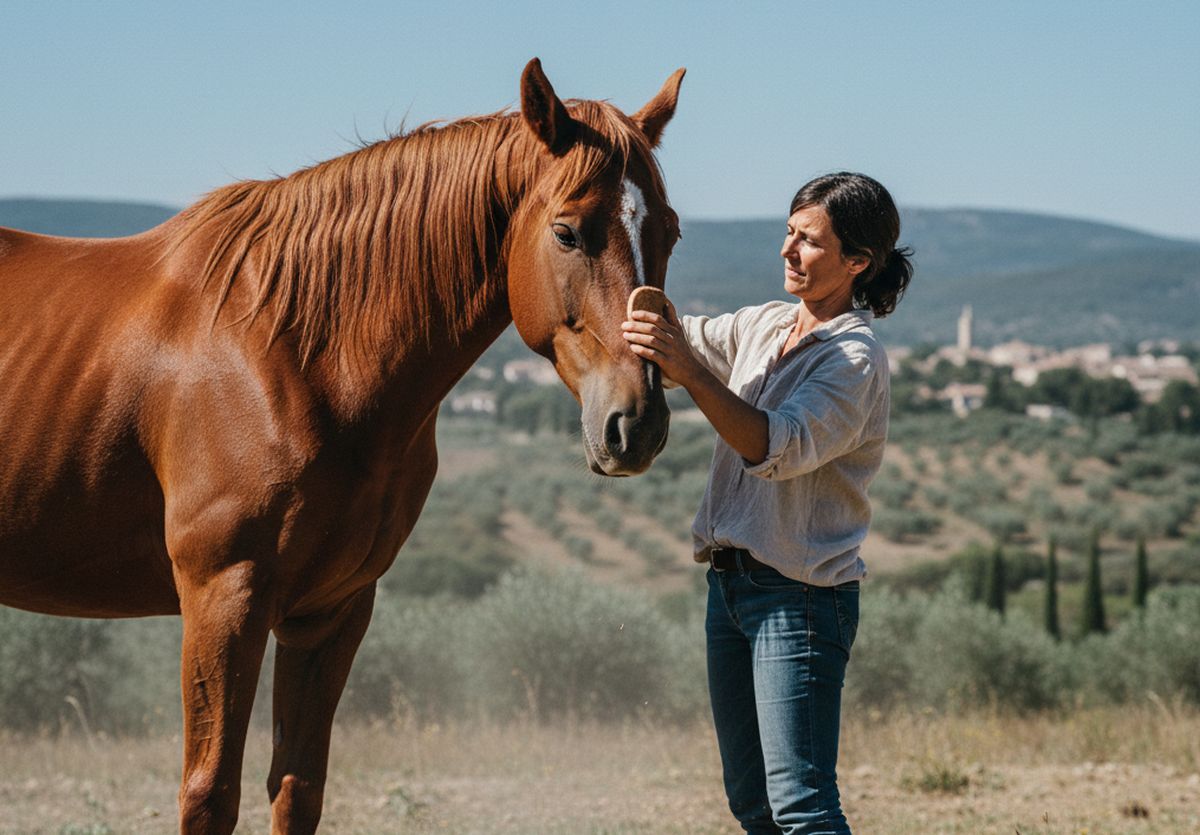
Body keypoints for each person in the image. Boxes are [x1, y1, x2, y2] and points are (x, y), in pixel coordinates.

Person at [621, 172, 913, 834]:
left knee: (803, 807)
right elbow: (677, 338)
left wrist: (691, 372)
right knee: (752, 803)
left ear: (859, 262)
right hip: (729, 589)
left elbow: (774, 446)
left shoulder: (854, 359)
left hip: (799, 598)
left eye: (808, 241)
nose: (787, 250)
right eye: (788, 232)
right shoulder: (764, 323)